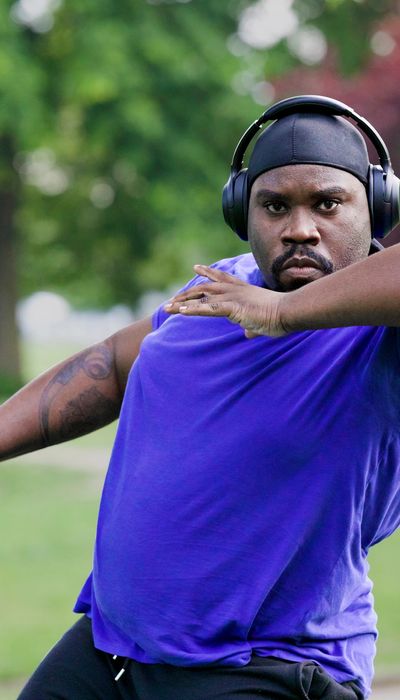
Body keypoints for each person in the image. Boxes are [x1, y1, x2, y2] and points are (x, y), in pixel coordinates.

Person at [2, 95, 400, 700]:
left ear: (377, 208)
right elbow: (110, 367)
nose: (299, 228)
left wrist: (282, 312)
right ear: (243, 212)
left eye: (327, 203)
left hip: (265, 669)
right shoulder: (224, 288)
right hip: (114, 650)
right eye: (274, 206)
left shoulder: (378, 332)